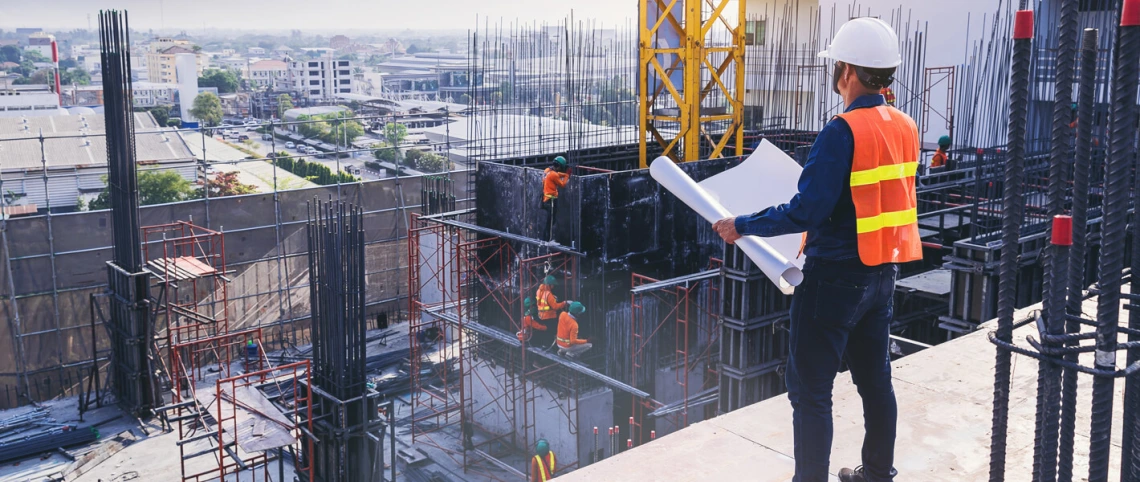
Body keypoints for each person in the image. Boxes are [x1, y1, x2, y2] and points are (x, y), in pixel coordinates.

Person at [711, 17, 918, 482]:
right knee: (875, 381)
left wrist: (742, 225)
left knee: (810, 393)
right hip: (882, 274)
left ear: (846, 69)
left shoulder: (842, 131)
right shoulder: (905, 125)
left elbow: (808, 211)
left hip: (833, 280)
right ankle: (879, 473)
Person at [541, 156, 570, 240]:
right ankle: (547, 240)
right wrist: (567, 175)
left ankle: (545, 239)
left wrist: (564, 174)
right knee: (550, 222)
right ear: (559, 166)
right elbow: (562, 184)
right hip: (551, 200)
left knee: (549, 221)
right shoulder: (554, 175)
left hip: (546, 199)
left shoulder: (547, 170)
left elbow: (556, 175)